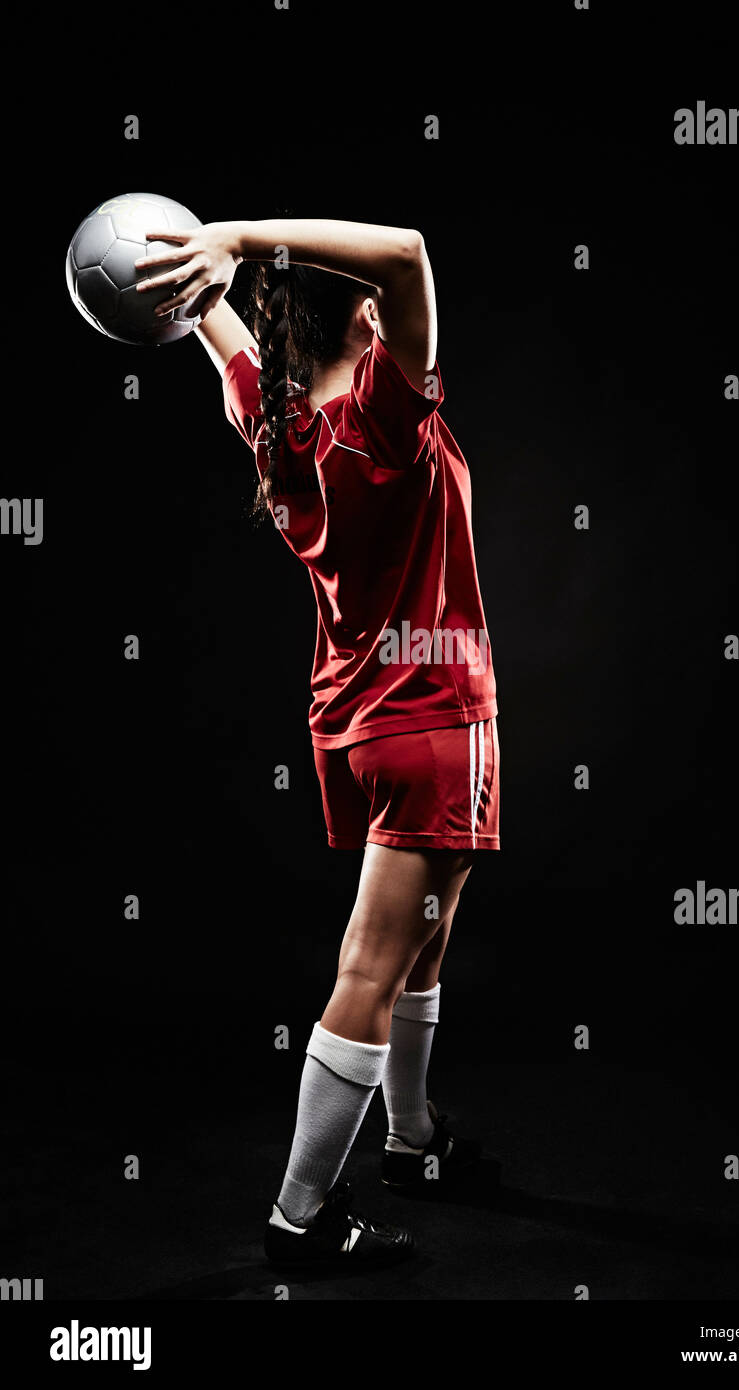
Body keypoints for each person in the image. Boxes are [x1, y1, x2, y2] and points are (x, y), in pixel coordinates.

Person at [134, 218, 500, 1267]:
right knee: (370, 968)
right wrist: (235, 237)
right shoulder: (382, 413)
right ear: (372, 324)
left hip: (350, 724)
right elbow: (411, 248)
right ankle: (299, 1217)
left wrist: (190, 272)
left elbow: (203, 318)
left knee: (421, 936)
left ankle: (412, 1138)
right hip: (430, 723)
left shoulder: (269, 413)